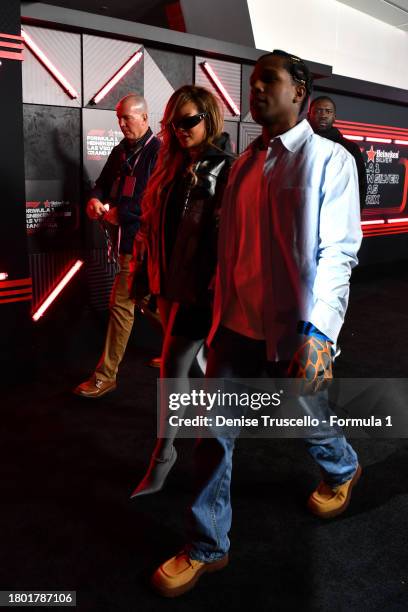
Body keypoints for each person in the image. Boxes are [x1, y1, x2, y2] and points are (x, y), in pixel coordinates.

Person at [151, 50, 363, 597]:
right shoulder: (242, 166)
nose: (257, 88)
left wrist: (320, 333)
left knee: (307, 417)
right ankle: (207, 544)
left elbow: (339, 252)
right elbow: (228, 252)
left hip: (296, 330)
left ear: (300, 92)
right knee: (212, 436)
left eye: (270, 79)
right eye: (253, 81)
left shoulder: (328, 161)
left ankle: (342, 467)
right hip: (234, 329)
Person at [129, 85, 235, 496]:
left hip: (205, 291)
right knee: (202, 367)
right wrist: (144, 279)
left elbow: (230, 238)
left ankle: (164, 455)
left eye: (189, 120)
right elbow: (155, 230)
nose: (180, 129)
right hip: (172, 285)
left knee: (175, 368)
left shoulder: (228, 168)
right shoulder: (171, 166)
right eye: (174, 123)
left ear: (209, 118)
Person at [74, 94, 160, 398]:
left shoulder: (158, 153)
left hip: (147, 244)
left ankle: (106, 375)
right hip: (126, 243)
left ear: (145, 118)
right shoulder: (121, 151)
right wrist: (95, 199)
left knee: (122, 306)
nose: (121, 124)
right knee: (147, 304)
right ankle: (188, 347)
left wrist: (119, 213)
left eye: (127, 118)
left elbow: (155, 204)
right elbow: (100, 183)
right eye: (119, 118)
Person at [308, 95, 367, 209]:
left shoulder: (350, 148)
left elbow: (360, 185)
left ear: (334, 117)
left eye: (328, 111)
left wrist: (354, 217)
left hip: (337, 215)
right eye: (318, 111)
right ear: (309, 115)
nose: (323, 115)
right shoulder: (299, 145)